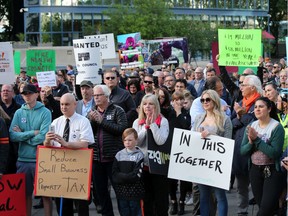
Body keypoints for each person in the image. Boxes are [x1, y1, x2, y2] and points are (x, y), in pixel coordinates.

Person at [44, 93, 94, 216]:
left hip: (78, 169)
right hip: (60, 169)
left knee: (81, 205)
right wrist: (46, 140)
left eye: (67, 104)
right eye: (61, 104)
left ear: (75, 104)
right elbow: (49, 146)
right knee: (63, 205)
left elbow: (85, 144)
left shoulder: (83, 121)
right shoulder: (55, 122)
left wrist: (66, 144)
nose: (63, 107)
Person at [9, 84, 52, 216]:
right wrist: (32, 133)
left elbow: (43, 135)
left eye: (29, 93)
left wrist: (23, 135)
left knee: (46, 195)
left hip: (41, 159)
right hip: (23, 159)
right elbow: (12, 135)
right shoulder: (19, 112)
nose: (26, 96)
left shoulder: (45, 112)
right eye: (24, 94)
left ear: (36, 94)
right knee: (25, 194)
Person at [241, 97, 285, 215]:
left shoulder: (277, 127)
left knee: (264, 211)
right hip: (255, 171)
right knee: (264, 208)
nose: (257, 109)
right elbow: (243, 151)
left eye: (261, 106)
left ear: (269, 109)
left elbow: (274, 153)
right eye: (255, 107)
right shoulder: (251, 126)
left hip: (272, 171)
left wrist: (256, 140)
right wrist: (250, 143)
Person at [88, 84, 128, 216]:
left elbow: (122, 130)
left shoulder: (117, 110)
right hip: (96, 159)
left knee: (119, 192)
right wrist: (93, 121)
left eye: (98, 95)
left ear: (106, 96)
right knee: (101, 193)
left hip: (113, 158)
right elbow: (89, 134)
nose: (96, 98)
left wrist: (102, 122)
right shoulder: (92, 112)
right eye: (94, 95)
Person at [193, 89, 232, 216]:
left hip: (217, 163)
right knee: (204, 196)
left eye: (207, 99)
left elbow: (228, 142)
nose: (205, 102)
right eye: (202, 100)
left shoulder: (225, 119)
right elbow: (192, 138)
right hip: (201, 162)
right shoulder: (199, 118)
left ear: (215, 100)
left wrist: (212, 135)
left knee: (220, 195)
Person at [132, 94, 169, 216]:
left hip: (159, 167)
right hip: (144, 167)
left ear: (156, 106)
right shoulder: (137, 122)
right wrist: (145, 128)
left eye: (151, 104)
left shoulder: (163, 121)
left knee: (161, 201)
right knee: (147, 200)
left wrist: (152, 125)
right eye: (145, 104)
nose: (147, 106)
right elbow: (135, 142)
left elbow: (160, 141)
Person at [231, 75, 262, 216]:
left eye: (244, 85)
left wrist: (242, 116)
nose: (241, 87)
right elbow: (232, 123)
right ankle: (242, 212)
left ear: (253, 88)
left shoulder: (261, 103)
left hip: (255, 151)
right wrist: (239, 116)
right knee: (241, 187)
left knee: (257, 186)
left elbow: (257, 123)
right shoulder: (240, 102)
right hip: (239, 150)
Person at [168, 91, 191, 215]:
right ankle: (173, 201)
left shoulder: (187, 114)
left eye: (181, 99)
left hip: (184, 150)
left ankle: (182, 201)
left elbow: (185, 125)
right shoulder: (169, 114)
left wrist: (179, 112)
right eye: (176, 100)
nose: (178, 102)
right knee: (171, 179)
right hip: (171, 149)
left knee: (184, 179)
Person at [112, 128, 145, 216]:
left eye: (130, 140)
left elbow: (136, 175)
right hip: (121, 193)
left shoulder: (139, 155)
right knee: (124, 212)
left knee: (135, 212)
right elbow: (114, 174)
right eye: (125, 140)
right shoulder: (118, 155)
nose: (127, 142)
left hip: (135, 193)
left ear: (136, 141)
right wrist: (126, 177)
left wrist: (122, 177)